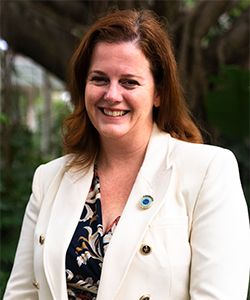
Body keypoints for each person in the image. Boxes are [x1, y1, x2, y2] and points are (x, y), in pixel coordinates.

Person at [3, 9, 250, 300]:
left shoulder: (208, 171)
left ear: (158, 93)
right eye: (99, 79)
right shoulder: (50, 179)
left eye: (129, 82)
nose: (112, 94)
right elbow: (21, 294)